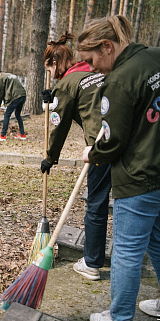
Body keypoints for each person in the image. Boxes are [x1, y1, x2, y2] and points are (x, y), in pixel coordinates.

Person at [77, 15, 160, 321]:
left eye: (91, 60)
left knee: (127, 252)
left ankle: (118, 319)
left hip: (140, 178)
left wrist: (94, 152)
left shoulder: (119, 80)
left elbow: (112, 141)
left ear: (107, 46)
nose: (90, 68)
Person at [41, 32, 111, 281]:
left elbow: (58, 127)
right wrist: (53, 101)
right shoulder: (94, 72)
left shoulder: (66, 84)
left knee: (96, 203)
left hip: (100, 146)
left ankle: (91, 263)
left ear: (56, 64)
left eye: (48, 69)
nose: (49, 75)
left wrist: (51, 158)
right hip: (123, 138)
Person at [0, 68, 26, 141]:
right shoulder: (10, 75)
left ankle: (2, 135)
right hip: (22, 96)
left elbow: (1, 92)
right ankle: (22, 134)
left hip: (15, 97)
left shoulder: (1, 78)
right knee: (17, 114)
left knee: (7, 115)